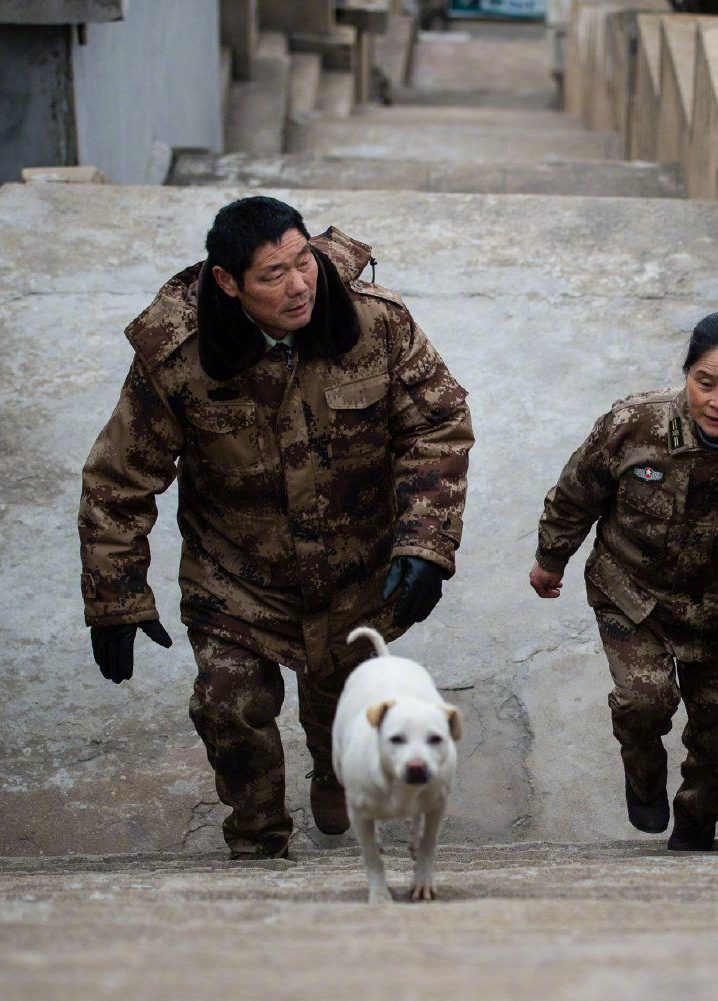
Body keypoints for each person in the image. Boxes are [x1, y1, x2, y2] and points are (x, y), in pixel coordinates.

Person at [79, 196, 473, 860]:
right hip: (236, 575)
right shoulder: (178, 355)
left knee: (338, 712)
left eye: (304, 262)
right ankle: (256, 837)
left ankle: (331, 771)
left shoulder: (377, 323)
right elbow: (119, 478)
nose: (298, 286)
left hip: (354, 571)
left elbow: (436, 427)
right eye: (273, 274)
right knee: (227, 707)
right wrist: (114, 597)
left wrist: (427, 542)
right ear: (229, 282)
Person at [529, 311, 718, 850]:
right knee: (643, 702)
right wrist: (550, 558)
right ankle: (643, 776)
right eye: (705, 383)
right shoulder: (631, 424)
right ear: (687, 373)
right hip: (632, 595)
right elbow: (576, 492)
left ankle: (695, 832)